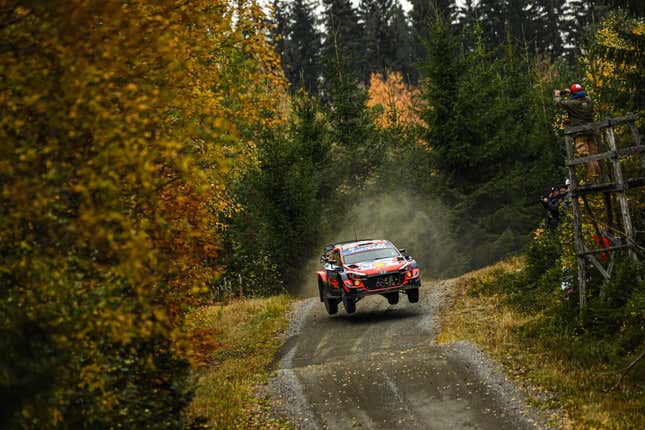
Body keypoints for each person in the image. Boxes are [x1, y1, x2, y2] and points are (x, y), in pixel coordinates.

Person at [554, 83, 599, 181]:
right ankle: (596, 177)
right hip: (591, 131)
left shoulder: (572, 104)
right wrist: (572, 93)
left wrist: (558, 94)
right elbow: (580, 97)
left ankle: (592, 178)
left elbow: (559, 103)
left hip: (580, 133)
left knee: (584, 153)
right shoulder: (589, 100)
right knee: (594, 155)